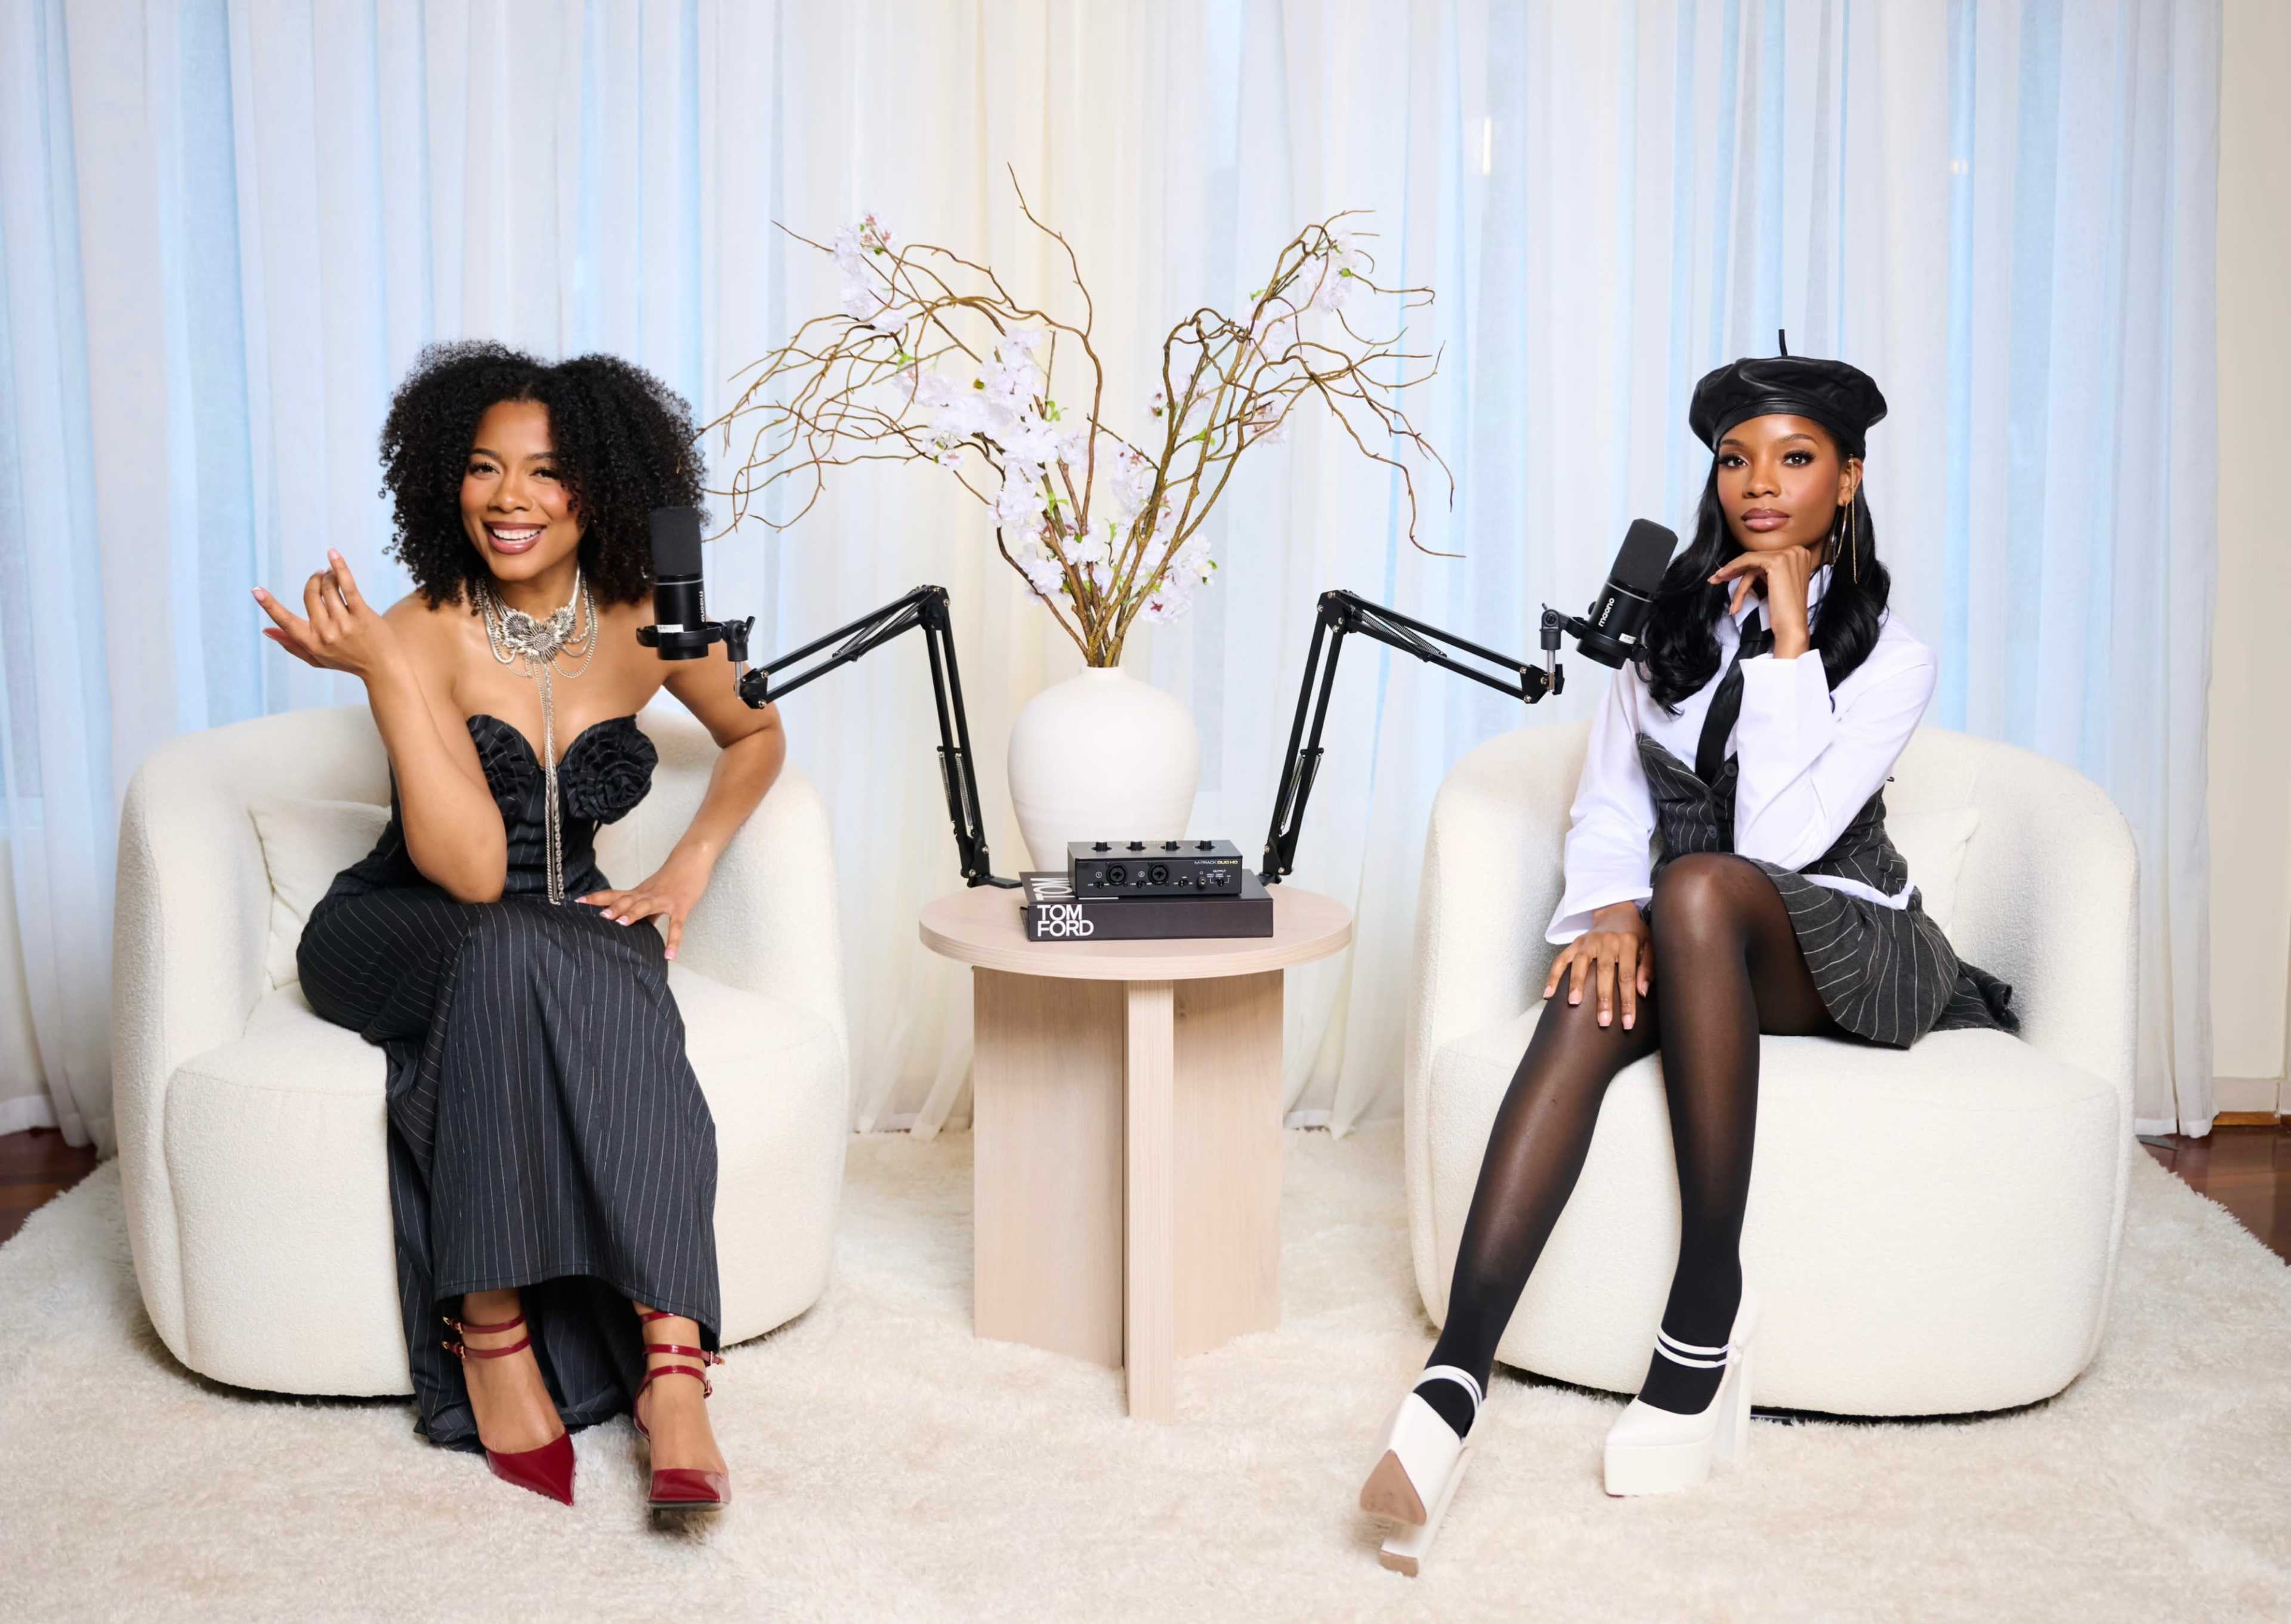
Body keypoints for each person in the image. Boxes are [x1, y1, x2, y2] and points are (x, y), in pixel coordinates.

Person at [1358, 341, 2019, 1530]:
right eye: (1734, 458)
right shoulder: (1664, 636)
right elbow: (1612, 802)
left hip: (1846, 943)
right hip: (1694, 928)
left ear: (1849, 480)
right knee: (1592, 987)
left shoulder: (1892, 657)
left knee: (1706, 888)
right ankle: (1456, 1370)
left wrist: (1784, 636)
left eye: (1795, 456)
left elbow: (1778, 840)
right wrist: (1610, 909)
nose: (1758, 482)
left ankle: (1706, 1296)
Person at [254, 342, 784, 1513]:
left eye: (546, 474)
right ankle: (489, 1330)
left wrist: (689, 867)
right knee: (509, 940)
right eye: (484, 469)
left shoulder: (654, 614)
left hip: (567, 924)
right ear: (445, 477)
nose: (509, 499)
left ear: (598, 483)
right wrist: (386, 672)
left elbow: (757, 734)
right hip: (405, 920)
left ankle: (671, 1364)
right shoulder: (425, 625)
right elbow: (473, 869)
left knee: (609, 960)